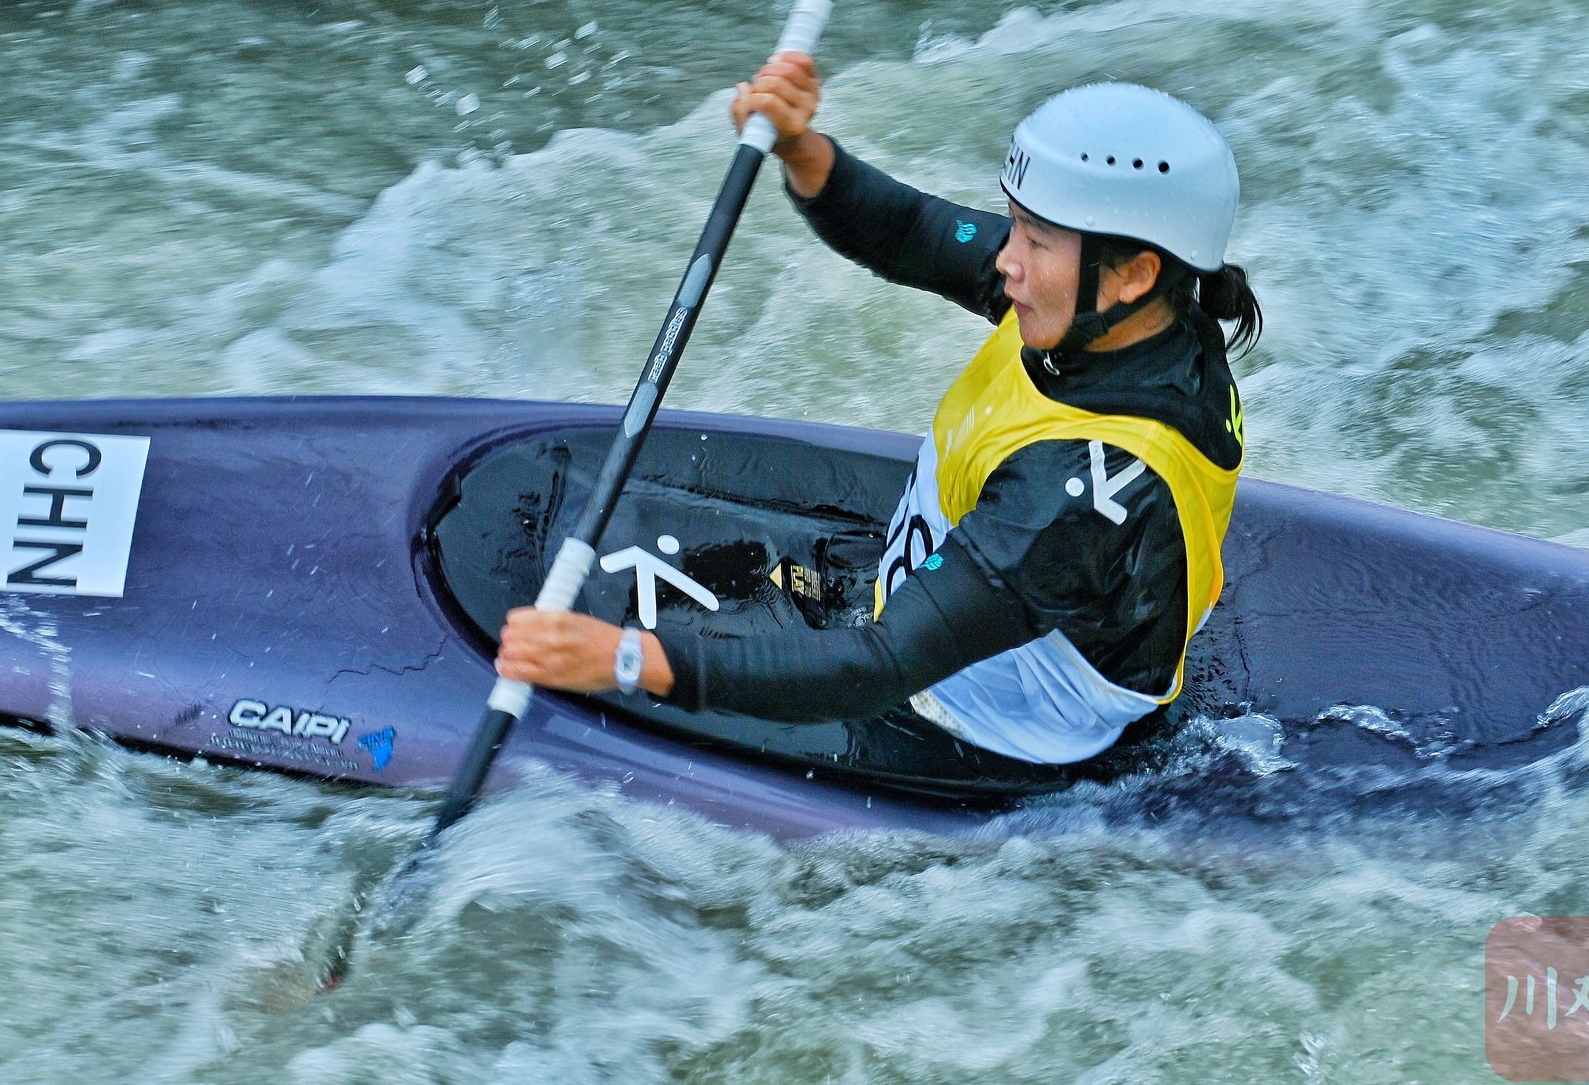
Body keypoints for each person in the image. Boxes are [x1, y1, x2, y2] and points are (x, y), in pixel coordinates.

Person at [494, 53, 1262, 790]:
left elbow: (876, 666)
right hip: (984, 598)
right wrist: (800, 149)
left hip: (988, 720)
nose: (1008, 261)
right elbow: (908, 230)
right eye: (1015, 225)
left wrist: (627, 662)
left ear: (1136, 272)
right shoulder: (1103, 310)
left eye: (1038, 238)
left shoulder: (1076, 492)